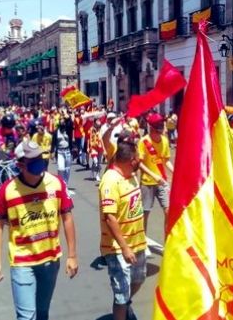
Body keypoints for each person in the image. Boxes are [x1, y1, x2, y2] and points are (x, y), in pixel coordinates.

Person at [0, 141, 78, 320]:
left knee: (42, 311)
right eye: (33, 160)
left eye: (40, 157)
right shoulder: (7, 190)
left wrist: (72, 255)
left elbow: (67, 217)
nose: (40, 162)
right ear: (20, 165)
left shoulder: (56, 183)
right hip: (22, 262)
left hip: (50, 260)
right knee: (26, 316)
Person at [99, 132, 147, 320]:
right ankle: (121, 311)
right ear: (130, 161)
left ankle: (127, 304)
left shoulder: (132, 176)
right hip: (118, 248)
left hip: (139, 242)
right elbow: (110, 217)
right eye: (137, 159)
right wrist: (125, 248)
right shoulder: (110, 181)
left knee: (139, 279)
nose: (140, 162)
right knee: (120, 295)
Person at [137, 113, 173, 234]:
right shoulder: (144, 142)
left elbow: (166, 161)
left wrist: (175, 171)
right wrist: (154, 176)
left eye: (162, 126)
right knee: (145, 213)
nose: (161, 129)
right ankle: (143, 240)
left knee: (168, 210)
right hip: (147, 182)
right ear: (151, 128)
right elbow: (139, 164)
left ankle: (167, 241)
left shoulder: (165, 141)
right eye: (158, 127)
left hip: (161, 182)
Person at [52, 112, 74, 192]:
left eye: (63, 120)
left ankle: (65, 186)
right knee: (61, 168)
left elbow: (71, 123)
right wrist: (52, 151)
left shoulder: (68, 130)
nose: (62, 121)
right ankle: (60, 183)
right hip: (60, 152)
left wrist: (67, 116)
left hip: (68, 151)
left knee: (67, 170)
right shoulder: (56, 131)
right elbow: (53, 142)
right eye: (60, 120)